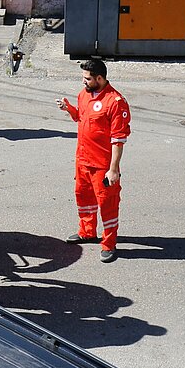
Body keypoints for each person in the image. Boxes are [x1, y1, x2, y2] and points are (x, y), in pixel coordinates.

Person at [56, 59, 131, 263]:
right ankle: (87, 232)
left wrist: (113, 169)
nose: (84, 82)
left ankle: (109, 243)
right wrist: (69, 109)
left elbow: (118, 140)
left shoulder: (116, 102)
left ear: (100, 78)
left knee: (107, 204)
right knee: (84, 198)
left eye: (87, 79)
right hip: (82, 161)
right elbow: (81, 117)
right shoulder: (84, 95)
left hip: (102, 166)